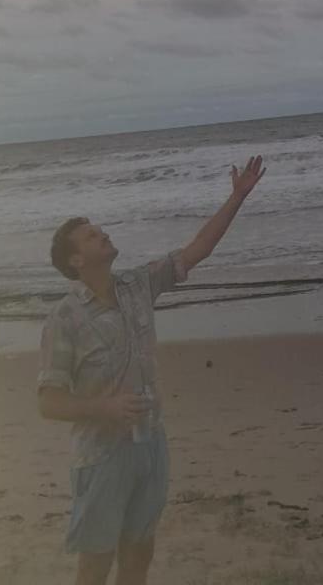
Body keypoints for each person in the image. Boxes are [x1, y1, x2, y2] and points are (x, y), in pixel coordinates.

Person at [37, 156, 266, 585]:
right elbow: (48, 402)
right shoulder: (64, 319)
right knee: (94, 567)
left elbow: (198, 248)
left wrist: (237, 197)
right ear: (76, 261)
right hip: (102, 456)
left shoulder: (137, 285)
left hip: (151, 446)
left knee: (138, 557)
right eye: (91, 236)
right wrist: (103, 408)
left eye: (100, 229)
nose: (103, 234)